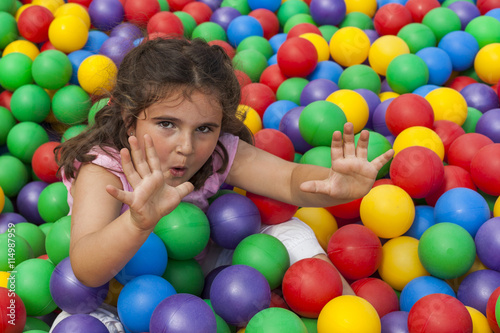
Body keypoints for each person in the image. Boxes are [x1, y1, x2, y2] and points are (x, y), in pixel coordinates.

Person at [54, 36, 393, 331]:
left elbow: (288, 178)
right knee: (74, 323)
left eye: (204, 128)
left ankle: (349, 320)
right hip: (118, 290)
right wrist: (137, 221)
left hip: (207, 270)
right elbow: (85, 269)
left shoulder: (217, 153)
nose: (186, 147)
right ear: (130, 120)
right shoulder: (104, 171)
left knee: (293, 230)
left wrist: (334, 183)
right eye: (167, 124)